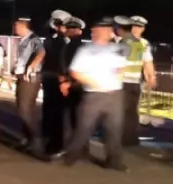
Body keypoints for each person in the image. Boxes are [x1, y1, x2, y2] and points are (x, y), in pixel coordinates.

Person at [63, 18, 127, 171]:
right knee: (84, 127)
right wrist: (92, 82)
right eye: (102, 30)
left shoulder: (117, 49)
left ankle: (114, 161)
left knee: (114, 129)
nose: (109, 33)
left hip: (115, 95)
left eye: (109, 30)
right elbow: (75, 71)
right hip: (94, 95)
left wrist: (118, 75)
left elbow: (122, 67)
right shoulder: (86, 50)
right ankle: (72, 156)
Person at [114, 15, 156, 147]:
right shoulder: (119, 40)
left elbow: (147, 62)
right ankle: (122, 137)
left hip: (133, 82)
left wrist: (151, 77)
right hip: (121, 81)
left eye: (140, 27)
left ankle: (129, 137)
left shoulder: (143, 43)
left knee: (131, 111)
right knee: (122, 110)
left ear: (143, 29)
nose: (137, 29)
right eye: (135, 26)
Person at [40, 9, 71, 155]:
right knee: (50, 112)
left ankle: (56, 144)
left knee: (57, 114)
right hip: (50, 79)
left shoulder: (65, 42)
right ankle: (50, 140)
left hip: (59, 81)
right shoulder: (52, 40)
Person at [12, 17, 44, 151]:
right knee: (23, 108)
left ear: (22, 26)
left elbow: (41, 53)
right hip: (22, 76)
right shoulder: (23, 40)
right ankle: (27, 138)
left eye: (16, 26)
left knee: (25, 109)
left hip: (30, 78)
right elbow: (21, 59)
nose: (14, 28)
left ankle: (36, 139)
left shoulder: (33, 39)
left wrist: (31, 67)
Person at [59, 17, 86, 146]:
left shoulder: (74, 46)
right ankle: (79, 145)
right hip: (76, 84)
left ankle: (76, 146)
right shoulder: (78, 45)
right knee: (76, 116)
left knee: (74, 116)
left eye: (70, 29)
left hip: (74, 85)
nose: (67, 31)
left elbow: (72, 67)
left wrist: (66, 81)